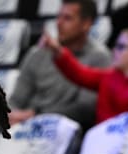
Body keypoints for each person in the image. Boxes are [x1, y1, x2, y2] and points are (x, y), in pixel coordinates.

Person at [8, 0, 111, 129]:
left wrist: (36, 115)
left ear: (86, 24)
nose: (59, 23)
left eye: (67, 18)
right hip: (22, 127)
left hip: (63, 130)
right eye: (59, 17)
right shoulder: (37, 53)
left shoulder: (99, 57)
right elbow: (16, 100)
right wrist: (11, 115)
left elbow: (85, 109)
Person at [42, 27, 128, 123]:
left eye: (121, 47)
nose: (114, 51)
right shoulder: (110, 76)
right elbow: (79, 74)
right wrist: (58, 50)